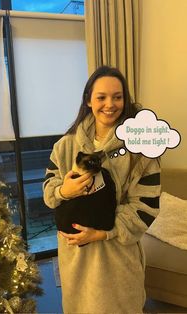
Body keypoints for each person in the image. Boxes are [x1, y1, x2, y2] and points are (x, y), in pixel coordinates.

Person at [43, 66, 161, 313]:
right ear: (88, 100)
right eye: (101, 97)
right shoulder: (64, 146)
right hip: (76, 259)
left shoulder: (142, 150)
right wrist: (64, 190)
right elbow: (49, 193)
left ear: (125, 100)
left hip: (116, 257)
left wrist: (101, 233)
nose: (110, 104)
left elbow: (146, 207)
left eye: (117, 97)